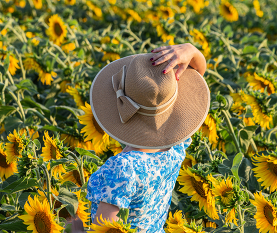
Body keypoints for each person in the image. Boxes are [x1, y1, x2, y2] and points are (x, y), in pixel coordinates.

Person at [72, 43, 209, 232]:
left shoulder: (122, 169)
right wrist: (191, 50)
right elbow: (198, 73)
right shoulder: (177, 144)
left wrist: (73, 223)